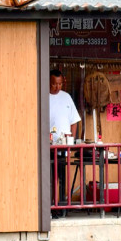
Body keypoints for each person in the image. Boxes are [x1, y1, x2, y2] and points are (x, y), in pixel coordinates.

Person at [49, 69, 80, 210]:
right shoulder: (44, 96)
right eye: (55, 84)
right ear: (49, 82)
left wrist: (71, 140)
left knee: (62, 177)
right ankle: (49, 206)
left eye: (60, 84)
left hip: (63, 146)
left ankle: (61, 207)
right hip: (48, 145)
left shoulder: (66, 97)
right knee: (49, 178)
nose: (58, 87)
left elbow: (74, 121)